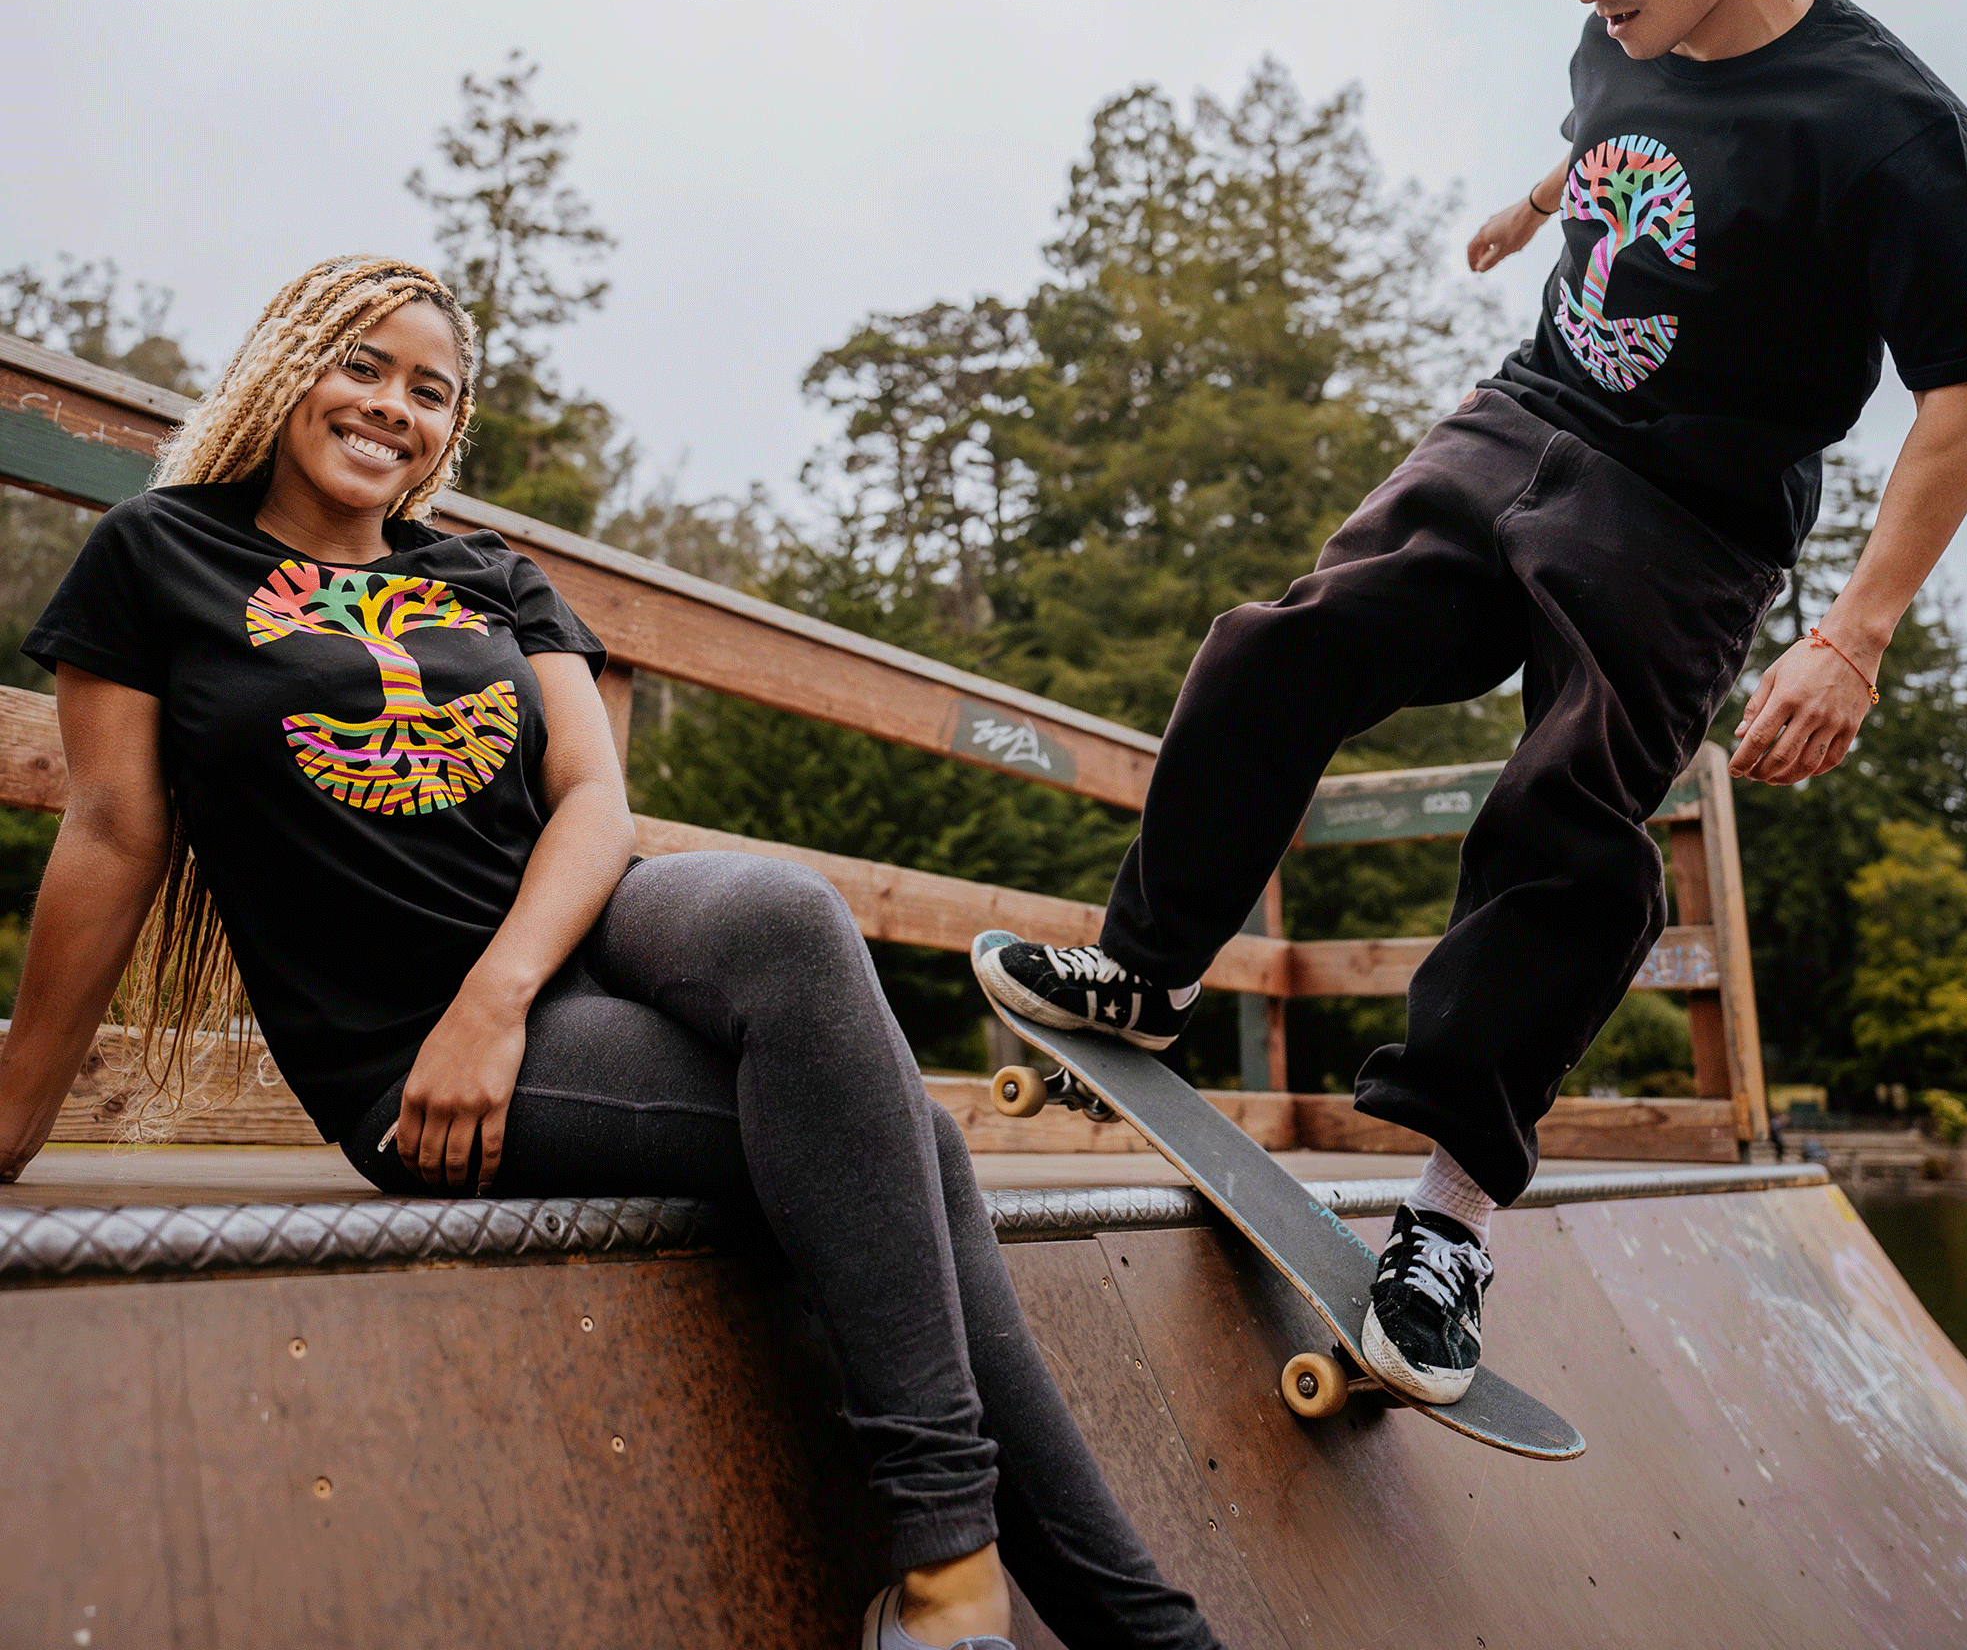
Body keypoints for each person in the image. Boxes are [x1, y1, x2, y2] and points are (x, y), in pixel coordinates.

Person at [973, 0, 1967, 1407]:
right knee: (1277, 648)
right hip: (1526, 416)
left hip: (1693, 513)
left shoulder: (1890, 132)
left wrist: (1857, 639)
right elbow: (1606, 124)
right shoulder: (1621, 34)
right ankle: (1151, 973)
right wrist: (1536, 211)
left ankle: (1448, 1218)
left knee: (1569, 819)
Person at [0, 255, 1223, 1650]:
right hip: (405, 1051)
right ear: (289, 361)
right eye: (361, 364)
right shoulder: (161, 558)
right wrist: (17, 1114)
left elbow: (592, 802)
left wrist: (501, 994)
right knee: (909, 1149)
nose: (391, 406)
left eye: (428, 390)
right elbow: (110, 833)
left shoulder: (487, 575)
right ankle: (1037, 1600)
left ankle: (977, 1590)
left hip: (562, 953)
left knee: (785, 911)